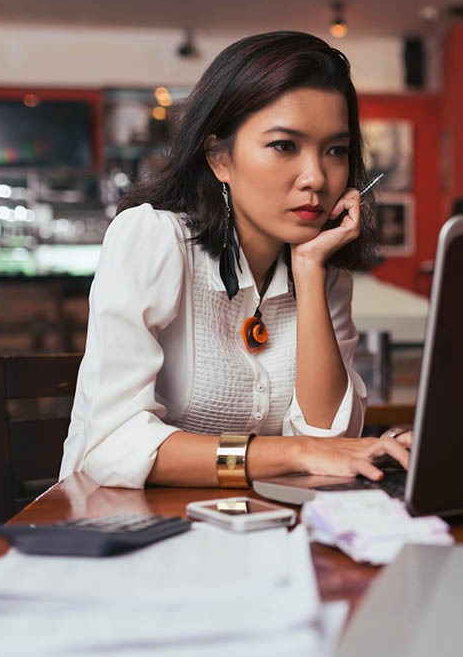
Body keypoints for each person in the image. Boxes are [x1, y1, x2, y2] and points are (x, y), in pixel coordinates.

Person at [59, 31, 413, 489]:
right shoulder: (153, 238)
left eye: (336, 151)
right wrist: (295, 452)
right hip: (121, 531)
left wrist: (308, 272)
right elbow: (112, 447)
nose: (317, 178)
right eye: (285, 145)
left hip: (250, 528)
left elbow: (328, 440)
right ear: (219, 158)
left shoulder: (324, 274)